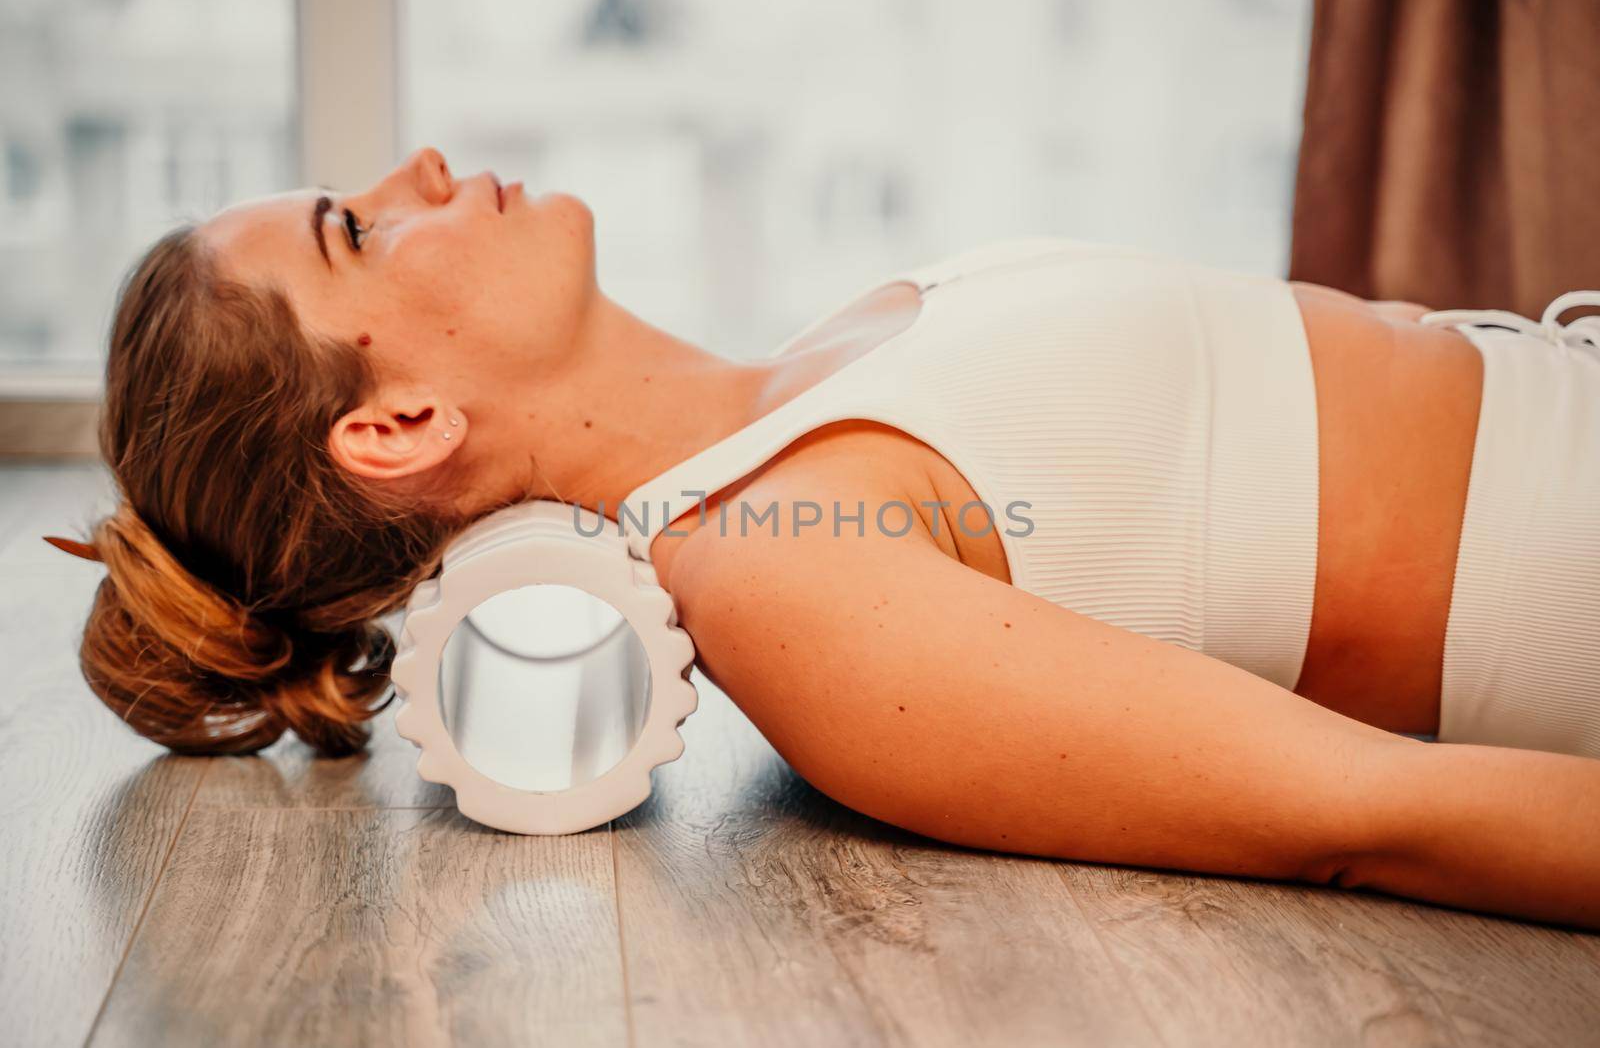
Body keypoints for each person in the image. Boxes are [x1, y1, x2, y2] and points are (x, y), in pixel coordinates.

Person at [51, 147, 1600, 930]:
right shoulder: (787, 581)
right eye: (362, 231)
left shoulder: (824, 360)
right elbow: (1367, 813)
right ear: (394, 428)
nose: (424, 174)